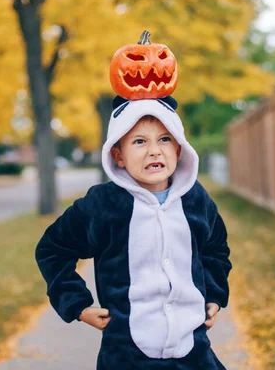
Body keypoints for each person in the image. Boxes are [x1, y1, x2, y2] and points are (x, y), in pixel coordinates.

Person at [35, 94, 232, 369]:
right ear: (118, 155)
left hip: (193, 350)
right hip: (126, 354)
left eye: (164, 139)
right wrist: (77, 306)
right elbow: (53, 249)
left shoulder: (196, 200)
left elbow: (215, 249)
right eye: (140, 141)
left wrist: (214, 294)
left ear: (178, 149)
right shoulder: (102, 205)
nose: (154, 150)